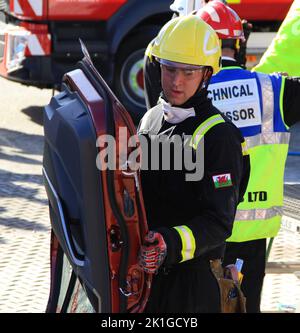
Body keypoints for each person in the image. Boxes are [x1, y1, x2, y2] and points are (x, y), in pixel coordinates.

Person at [137, 14, 250, 313]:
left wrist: (169, 243)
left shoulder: (219, 136)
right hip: (148, 279)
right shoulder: (149, 120)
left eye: (188, 73)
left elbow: (219, 222)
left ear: (206, 75)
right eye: (170, 69)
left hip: (193, 286)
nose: (176, 81)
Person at [196, 0, 300, 312]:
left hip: (207, 232)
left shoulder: (189, 92)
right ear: (240, 44)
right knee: (246, 304)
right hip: (255, 233)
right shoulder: (273, 89)